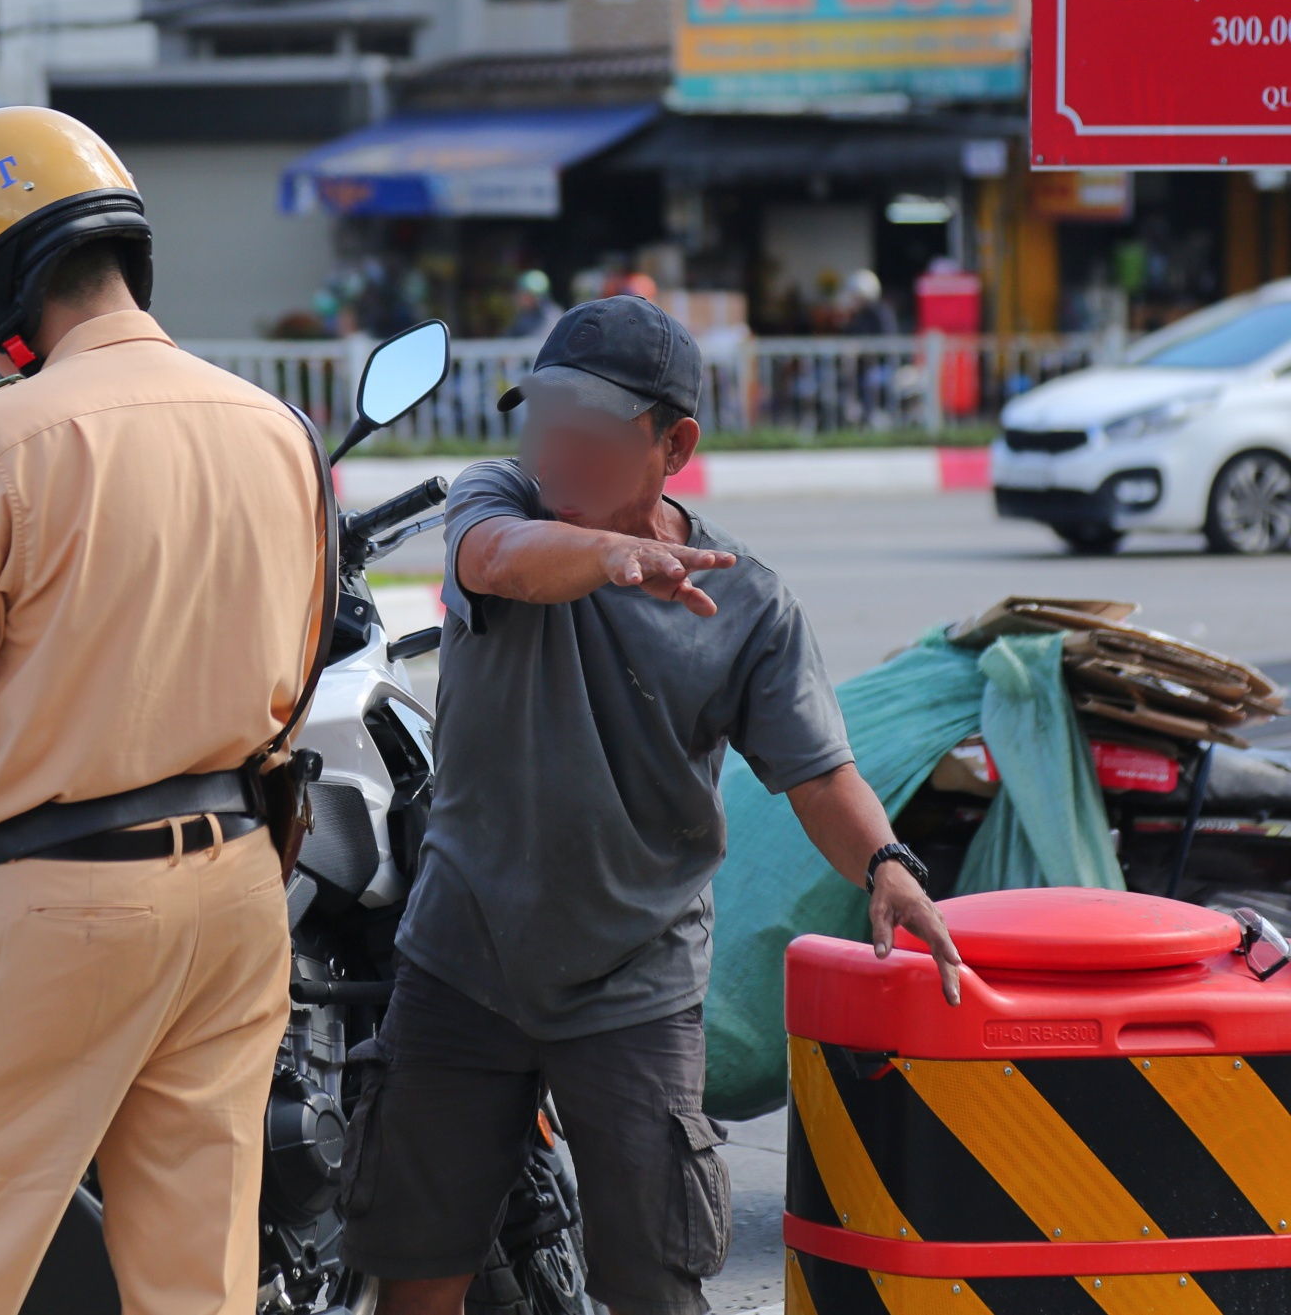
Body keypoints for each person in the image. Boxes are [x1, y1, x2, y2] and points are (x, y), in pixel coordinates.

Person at [339, 295, 963, 1315]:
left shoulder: (747, 604)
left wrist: (886, 867)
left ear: (673, 446)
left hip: (633, 980)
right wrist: (606, 556)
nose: (554, 447)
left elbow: (816, 774)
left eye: (587, 428)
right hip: (462, 956)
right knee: (416, 1263)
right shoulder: (503, 497)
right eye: (543, 417)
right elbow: (496, 560)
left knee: (654, 1282)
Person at [0, 105, 326, 1315]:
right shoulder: (274, 425)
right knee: (195, 1276)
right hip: (234, 886)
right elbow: (294, 676)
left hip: (57, 899)